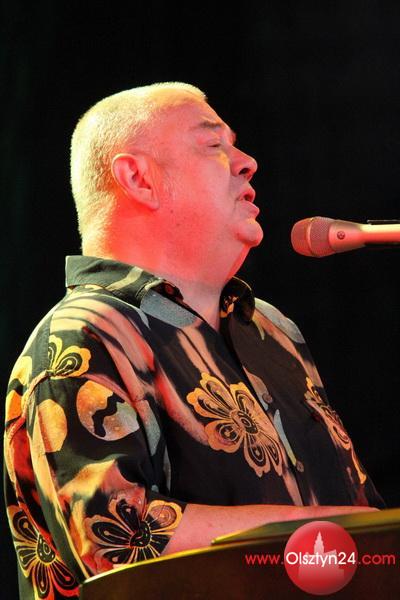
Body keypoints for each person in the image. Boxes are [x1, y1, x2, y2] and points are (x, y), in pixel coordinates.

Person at [4, 82, 383, 599]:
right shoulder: (83, 334)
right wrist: (333, 532)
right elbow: (116, 542)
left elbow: (362, 519)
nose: (247, 163)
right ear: (138, 178)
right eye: (213, 145)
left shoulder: (272, 332)